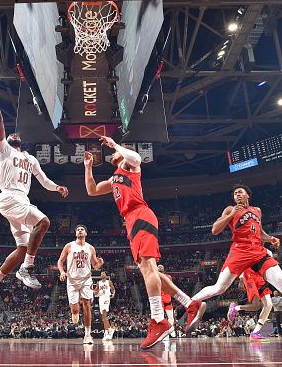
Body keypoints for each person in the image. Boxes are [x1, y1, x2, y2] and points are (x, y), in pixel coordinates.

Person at [83, 137, 201, 349]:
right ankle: (189, 304)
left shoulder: (130, 167)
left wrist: (115, 145)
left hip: (139, 215)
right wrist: (88, 167)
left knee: (148, 270)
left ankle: (158, 319)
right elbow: (91, 190)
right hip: (132, 221)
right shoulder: (115, 178)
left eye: (115, 154)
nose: (112, 156)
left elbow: (137, 157)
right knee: (151, 270)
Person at [190, 184, 282, 344]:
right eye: (235, 193)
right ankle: (189, 303)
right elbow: (215, 230)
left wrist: (270, 238)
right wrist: (231, 214)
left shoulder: (257, 211)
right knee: (221, 288)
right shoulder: (229, 209)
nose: (237, 195)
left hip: (258, 252)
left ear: (247, 196)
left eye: (240, 192)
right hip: (240, 252)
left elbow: (259, 232)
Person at [0, 72, 69, 305]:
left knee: (22, 247)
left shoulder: (31, 159)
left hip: (20, 201)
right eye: (10, 135)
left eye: (16, 135)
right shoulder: (4, 151)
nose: (13, 134)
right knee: (44, 222)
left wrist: (57, 187)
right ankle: (27, 268)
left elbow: (44, 181)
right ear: (7, 141)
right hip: (9, 197)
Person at [57, 224, 103, 344]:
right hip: (72, 280)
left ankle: (87, 335)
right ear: (75, 233)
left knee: (87, 305)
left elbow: (95, 266)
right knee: (75, 310)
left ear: (86, 233)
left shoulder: (90, 248)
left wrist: (99, 263)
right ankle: (75, 313)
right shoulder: (69, 246)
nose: (80, 231)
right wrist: (62, 272)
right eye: (78, 229)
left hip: (86, 279)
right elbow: (60, 261)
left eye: (82, 229)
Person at [227, 266, 273, 341]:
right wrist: (241, 279)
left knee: (268, 305)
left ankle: (255, 332)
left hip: (260, 276)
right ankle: (235, 307)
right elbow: (244, 260)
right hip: (249, 274)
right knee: (256, 306)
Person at [96, 271, 115, 341]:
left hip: (106, 298)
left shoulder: (109, 282)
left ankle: (107, 331)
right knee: (103, 316)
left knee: (104, 313)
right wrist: (99, 291)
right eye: (101, 274)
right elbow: (96, 293)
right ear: (100, 276)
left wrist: (113, 294)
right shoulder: (98, 283)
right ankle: (108, 330)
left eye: (103, 273)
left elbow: (113, 289)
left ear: (106, 275)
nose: (102, 275)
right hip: (101, 298)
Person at [157, 265, 175, 338]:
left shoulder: (167, 277)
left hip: (164, 299)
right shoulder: (167, 277)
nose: (160, 267)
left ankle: (169, 330)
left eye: (161, 267)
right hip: (162, 299)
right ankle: (166, 331)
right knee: (164, 317)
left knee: (168, 317)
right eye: (159, 267)